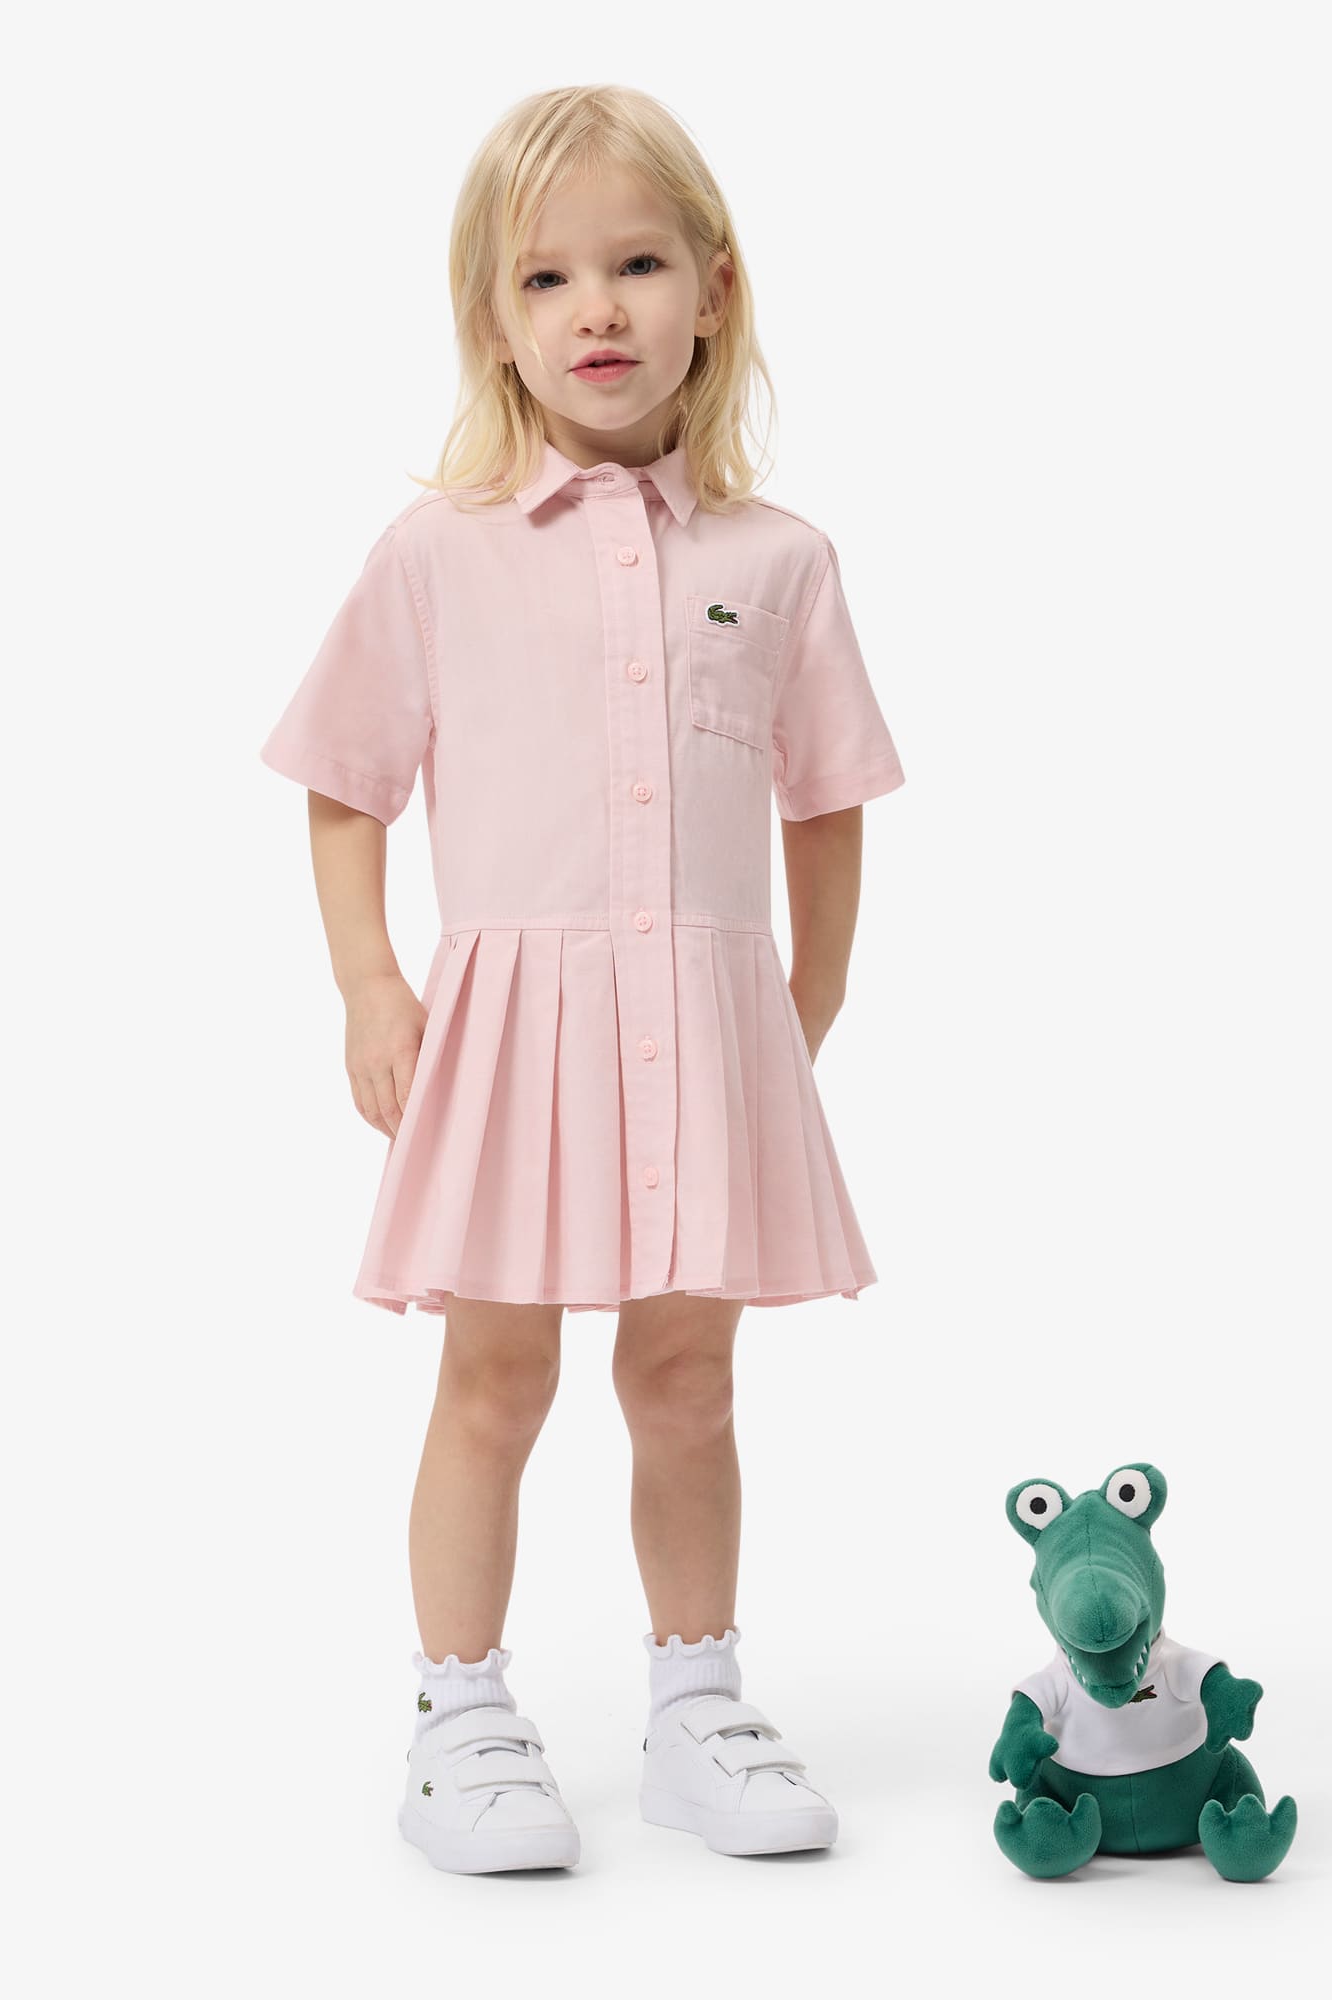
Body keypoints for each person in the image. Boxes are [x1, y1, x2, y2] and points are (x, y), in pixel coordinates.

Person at [258, 83, 906, 1876]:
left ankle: (698, 1704)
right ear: (495, 318)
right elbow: (343, 781)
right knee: (494, 1376)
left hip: (703, 1028)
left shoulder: (780, 562)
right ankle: (459, 1717)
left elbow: (829, 800)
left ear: (716, 285)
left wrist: (806, 1003)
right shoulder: (437, 553)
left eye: (636, 264)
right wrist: (369, 987)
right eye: (546, 278)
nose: (596, 310)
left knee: (688, 1372)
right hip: (508, 1037)